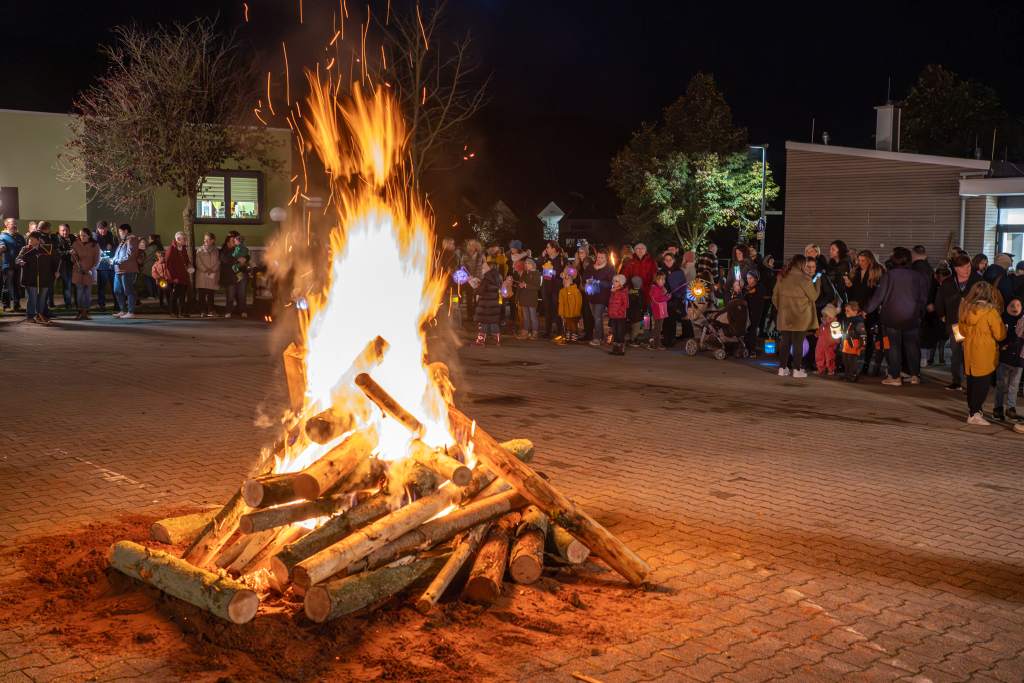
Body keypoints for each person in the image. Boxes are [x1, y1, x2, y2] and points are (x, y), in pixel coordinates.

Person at [866, 247, 929, 386]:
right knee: (912, 346)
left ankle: (895, 376)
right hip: (912, 317)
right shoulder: (918, 276)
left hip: (891, 317)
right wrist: (919, 313)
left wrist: (866, 310)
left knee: (892, 347)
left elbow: (878, 297)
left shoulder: (889, 275)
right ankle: (914, 375)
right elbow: (923, 298)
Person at [958, 281, 1005, 425]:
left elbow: (959, 331)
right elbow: (1000, 335)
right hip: (985, 352)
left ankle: (973, 411)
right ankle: (974, 414)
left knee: (971, 383)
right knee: (982, 385)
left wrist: (963, 342)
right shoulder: (991, 312)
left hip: (969, 351)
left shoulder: (965, 308)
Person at [935, 254, 983, 390]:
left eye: (968, 266)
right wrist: (942, 314)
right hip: (956, 323)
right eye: (962, 267)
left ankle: (972, 382)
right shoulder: (948, 283)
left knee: (972, 353)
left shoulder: (978, 280)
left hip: (973, 324)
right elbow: (940, 300)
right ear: (955, 269)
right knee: (957, 352)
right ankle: (956, 381)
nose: (966, 270)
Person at [772, 254, 819, 378]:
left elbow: (774, 297)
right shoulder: (804, 278)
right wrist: (818, 283)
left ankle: (782, 368)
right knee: (798, 343)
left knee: (785, 342)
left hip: (785, 315)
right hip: (800, 316)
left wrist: (781, 309)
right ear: (801, 264)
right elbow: (813, 296)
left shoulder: (782, 276)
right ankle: (797, 369)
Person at [993, 298, 1023, 421]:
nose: (1015, 307)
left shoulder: (1022, 320)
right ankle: (998, 408)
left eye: (1018, 305)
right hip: (1004, 357)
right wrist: (1001, 346)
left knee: (1014, 385)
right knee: (1001, 384)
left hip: (1019, 359)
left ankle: (1011, 408)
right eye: (1012, 305)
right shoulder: (1002, 319)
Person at [16, 231, 55, 324]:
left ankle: (39, 315)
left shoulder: (45, 249)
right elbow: (17, 259)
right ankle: (30, 315)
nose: (29, 241)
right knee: (32, 297)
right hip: (29, 278)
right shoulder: (25, 249)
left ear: (38, 240)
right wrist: (20, 261)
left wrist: (55, 271)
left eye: (32, 240)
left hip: (44, 277)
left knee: (42, 298)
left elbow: (54, 260)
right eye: (29, 239)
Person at [583, 249, 615, 346]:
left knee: (597, 317)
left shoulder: (609, 268)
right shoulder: (591, 267)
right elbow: (585, 277)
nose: (599, 259)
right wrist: (587, 281)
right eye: (598, 257)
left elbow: (611, 283)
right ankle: (600, 336)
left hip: (602, 297)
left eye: (602, 257)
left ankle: (597, 338)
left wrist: (599, 282)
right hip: (591, 295)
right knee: (596, 317)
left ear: (606, 258)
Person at [111, 223, 140, 319]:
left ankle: (131, 312)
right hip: (118, 270)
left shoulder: (132, 239)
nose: (119, 233)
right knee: (117, 290)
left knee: (128, 290)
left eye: (120, 231)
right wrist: (113, 260)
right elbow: (118, 254)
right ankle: (122, 310)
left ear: (126, 231)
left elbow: (130, 254)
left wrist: (118, 261)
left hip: (128, 269)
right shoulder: (123, 241)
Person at [71, 227, 100, 319]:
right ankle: (79, 311)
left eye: (84, 235)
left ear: (89, 236)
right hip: (78, 271)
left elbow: (97, 259)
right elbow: (73, 259)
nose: (82, 237)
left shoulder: (94, 245)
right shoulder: (75, 244)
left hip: (89, 271)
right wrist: (73, 254)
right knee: (79, 292)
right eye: (80, 235)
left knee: (87, 293)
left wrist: (91, 269)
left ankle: (86, 312)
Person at [660, 252, 688, 349]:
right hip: (664, 299)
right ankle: (665, 338)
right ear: (664, 261)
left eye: (670, 260)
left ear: (674, 260)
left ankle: (671, 339)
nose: (668, 262)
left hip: (675, 298)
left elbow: (684, 285)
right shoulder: (661, 271)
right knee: (665, 320)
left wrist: (681, 296)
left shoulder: (679, 272)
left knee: (672, 319)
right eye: (666, 260)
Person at [538, 241, 565, 338]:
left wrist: (553, 272)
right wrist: (542, 256)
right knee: (547, 309)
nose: (546, 249)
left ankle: (560, 331)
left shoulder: (561, 259)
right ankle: (547, 331)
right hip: (546, 287)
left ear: (554, 249)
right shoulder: (546, 258)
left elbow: (563, 272)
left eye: (548, 247)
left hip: (556, 288)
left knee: (557, 309)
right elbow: (538, 265)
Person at [473, 260, 502, 346]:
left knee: (484, 323)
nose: (482, 269)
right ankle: (497, 340)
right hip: (494, 304)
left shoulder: (486, 279)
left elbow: (481, 291)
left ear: (488, 269)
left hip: (486, 305)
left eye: (483, 268)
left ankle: (480, 341)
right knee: (494, 322)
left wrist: (476, 287)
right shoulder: (497, 277)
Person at [164, 231, 193, 317]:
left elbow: (186, 260)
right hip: (176, 277)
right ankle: (173, 312)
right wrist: (173, 277)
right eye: (184, 239)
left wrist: (189, 265)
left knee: (183, 295)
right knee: (175, 295)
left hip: (183, 276)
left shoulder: (183, 248)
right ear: (178, 239)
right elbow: (168, 264)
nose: (186, 240)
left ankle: (182, 311)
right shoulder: (171, 249)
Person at [1, 217, 26, 311]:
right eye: (12, 223)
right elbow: (1, 246)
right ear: (6, 225)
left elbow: (25, 248)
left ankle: (16, 304)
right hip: (8, 265)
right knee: (7, 285)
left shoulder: (20, 237)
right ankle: (6, 305)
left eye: (15, 223)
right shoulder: (2, 236)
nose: (15, 225)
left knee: (17, 285)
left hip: (18, 265)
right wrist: (2, 247)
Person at [841, 301, 868, 382]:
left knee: (852, 361)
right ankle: (847, 375)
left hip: (854, 345)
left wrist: (862, 345)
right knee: (846, 361)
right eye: (845, 310)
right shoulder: (847, 320)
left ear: (855, 311)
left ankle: (853, 375)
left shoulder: (858, 322)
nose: (846, 312)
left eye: (848, 311)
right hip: (846, 345)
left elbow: (863, 334)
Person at [195, 232, 220, 317]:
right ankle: (202, 311)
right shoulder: (199, 250)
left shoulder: (216, 250)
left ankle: (211, 310)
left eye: (208, 239)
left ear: (213, 240)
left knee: (210, 294)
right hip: (202, 274)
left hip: (212, 274)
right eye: (205, 239)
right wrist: (205, 269)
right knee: (201, 294)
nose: (205, 241)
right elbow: (198, 262)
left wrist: (212, 269)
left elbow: (218, 262)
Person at [516, 258, 541, 340]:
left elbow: (537, 287)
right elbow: (520, 284)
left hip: (532, 298)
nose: (526, 265)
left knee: (533, 316)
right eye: (525, 263)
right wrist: (519, 285)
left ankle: (535, 332)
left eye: (528, 263)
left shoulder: (537, 273)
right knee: (526, 317)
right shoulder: (524, 273)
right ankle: (525, 332)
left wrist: (526, 285)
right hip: (524, 298)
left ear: (532, 264)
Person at [94, 220, 116, 311]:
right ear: (97, 229)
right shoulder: (95, 237)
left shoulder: (111, 235)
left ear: (107, 228)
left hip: (112, 265)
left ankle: (118, 304)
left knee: (114, 286)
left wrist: (112, 246)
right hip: (102, 266)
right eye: (100, 229)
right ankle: (101, 305)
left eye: (104, 229)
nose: (102, 231)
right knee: (101, 287)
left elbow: (116, 246)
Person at [227, 233, 250, 318]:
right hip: (232, 274)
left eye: (235, 240)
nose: (233, 242)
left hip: (241, 272)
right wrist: (237, 259)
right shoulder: (230, 249)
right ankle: (229, 311)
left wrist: (244, 259)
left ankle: (243, 310)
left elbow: (246, 257)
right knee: (231, 294)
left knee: (242, 293)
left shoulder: (239, 248)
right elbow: (229, 258)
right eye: (232, 240)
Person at [743, 270, 766, 356]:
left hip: (756, 312)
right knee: (747, 329)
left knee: (752, 329)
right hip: (748, 312)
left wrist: (749, 291)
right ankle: (746, 347)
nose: (748, 280)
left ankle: (752, 349)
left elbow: (758, 294)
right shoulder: (747, 287)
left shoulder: (760, 287)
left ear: (755, 278)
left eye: (750, 278)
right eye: (747, 278)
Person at [557, 269, 583, 343]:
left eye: (567, 279)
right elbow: (561, 303)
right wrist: (561, 313)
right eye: (564, 279)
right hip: (566, 313)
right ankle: (568, 338)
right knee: (567, 326)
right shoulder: (562, 291)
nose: (565, 280)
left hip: (574, 313)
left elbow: (579, 302)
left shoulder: (576, 290)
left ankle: (574, 338)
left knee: (574, 326)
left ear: (571, 281)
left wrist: (578, 312)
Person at [55, 223, 76, 311]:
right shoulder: (57, 239)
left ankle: (77, 303)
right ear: (59, 231)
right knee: (67, 285)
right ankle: (68, 304)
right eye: (62, 230)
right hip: (64, 265)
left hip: (74, 265)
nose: (65, 232)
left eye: (66, 230)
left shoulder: (73, 238)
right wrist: (68, 252)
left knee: (75, 285)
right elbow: (58, 252)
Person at [815, 303, 839, 376]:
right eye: (824, 316)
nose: (824, 317)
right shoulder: (822, 324)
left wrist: (836, 342)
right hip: (821, 344)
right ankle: (820, 369)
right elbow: (819, 331)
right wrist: (817, 333)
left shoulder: (834, 324)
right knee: (819, 356)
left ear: (831, 317)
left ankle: (831, 370)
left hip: (830, 344)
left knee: (830, 357)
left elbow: (837, 336)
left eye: (826, 316)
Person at [608, 274, 629, 356]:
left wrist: (620, 311)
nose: (614, 282)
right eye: (613, 281)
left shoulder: (623, 292)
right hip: (613, 315)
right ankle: (615, 347)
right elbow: (610, 303)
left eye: (616, 281)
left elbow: (625, 304)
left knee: (620, 332)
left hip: (620, 316)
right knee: (615, 332)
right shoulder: (613, 291)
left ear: (621, 283)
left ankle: (620, 348)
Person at [648, 271, 669, 350]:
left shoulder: (660, 288)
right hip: (658, 310)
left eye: (664, 279)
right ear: (656, 280)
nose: (663, 281)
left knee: (659, 327)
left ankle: (656, 343)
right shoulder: (655, 288)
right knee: (658, 327)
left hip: (661, 310)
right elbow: (657, 299)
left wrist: (666, 294)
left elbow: (662, 296)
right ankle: (656, 344)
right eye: (661, 279)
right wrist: (667, 297)